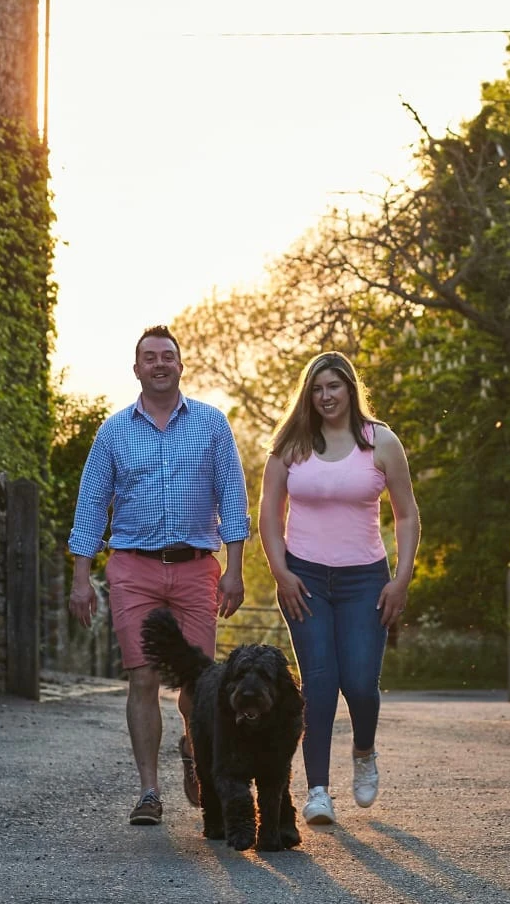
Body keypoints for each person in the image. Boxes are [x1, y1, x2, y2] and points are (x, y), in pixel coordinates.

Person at [68, 325, 248, 826]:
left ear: (181, 365)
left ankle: (195, 754)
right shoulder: (114, 431)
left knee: (197, 682)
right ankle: (149, 791)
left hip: (195, 568)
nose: (160, 364)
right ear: (137, 368)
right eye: (150, 357)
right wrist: (81, 579)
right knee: (143, 677)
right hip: (133, 567)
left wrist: (234, 571)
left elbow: (233, 501)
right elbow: (90, 508)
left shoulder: (211, 425)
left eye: (168, 356)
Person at [258, 351, 421, 827]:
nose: (326, 396)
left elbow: (408, 514)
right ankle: (318, 791)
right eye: (317, 389)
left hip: (365, 580)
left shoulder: (380, 442)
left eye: (334, 386)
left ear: (350, 389)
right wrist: (280, 572)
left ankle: (364, 751)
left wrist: (401, 578)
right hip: (304, 579)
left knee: (360, 686)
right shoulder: (290, 445)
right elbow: (268, 513)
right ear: (308, 395)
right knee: (320, 685)